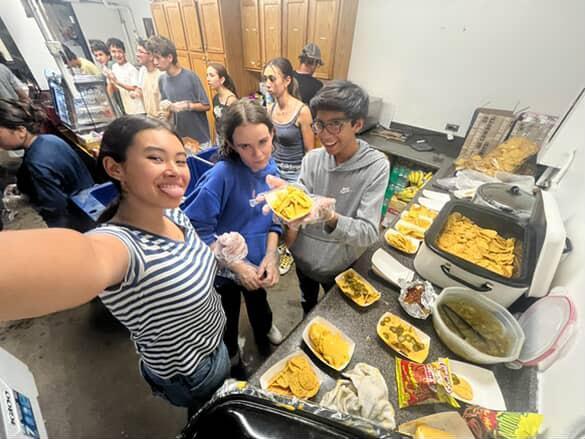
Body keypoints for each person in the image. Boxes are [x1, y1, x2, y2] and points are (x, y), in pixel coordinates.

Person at [0, 115, 229, 415]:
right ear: (115, 168)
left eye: (180, 160)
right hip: (190, 372)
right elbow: (84, 259)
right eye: (156, 158)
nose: (175, 170)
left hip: (214, 342)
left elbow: (182, 265)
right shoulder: (119, 247)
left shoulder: (171, 213)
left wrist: (219, 254)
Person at [269, 81, 390, 316]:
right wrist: (286, 196)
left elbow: (368, 233)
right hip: (303, 261)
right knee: (308, 305)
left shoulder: (375, 167)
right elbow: (301, 194)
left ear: (357, 124)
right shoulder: (312, 159)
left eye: (335, 125)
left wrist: (332, 218)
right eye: (320, 124)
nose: (324, 135)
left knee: (335, 315)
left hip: (340, 266)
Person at [183, 100, 283, 376]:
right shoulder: (221, 176)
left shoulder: (272, 169)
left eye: (263, 141)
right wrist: (237, 266)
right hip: (223, 269)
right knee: (226, 315)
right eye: (245, 146)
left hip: (258, 261)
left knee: (259, 301)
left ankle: (264, 328)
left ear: (272, 133)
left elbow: (275, 218)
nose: (258, 154)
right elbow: (195, 229)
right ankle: (231, 354)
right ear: (231, 144)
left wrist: (271, 255)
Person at [0, 99, 94, 229]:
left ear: (21, 131)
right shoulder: (50, 139)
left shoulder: (36, 164)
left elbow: (55, 210)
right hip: (89, 203)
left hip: (78, 219)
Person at [147, 36, 211, 148]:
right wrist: (164, 117)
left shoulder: (190, 76)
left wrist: (187, 106)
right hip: (181, 139)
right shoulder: (162, 80)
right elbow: (168, 110)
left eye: (158, 58)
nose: (155, 62)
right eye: (153, 59)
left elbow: (206, 105)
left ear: (170, 57)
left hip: (200, 138)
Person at [263, 57, 314, 183]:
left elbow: (310, 152)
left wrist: (306, 180)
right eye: (265, 79)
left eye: (272, 79)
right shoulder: (270, 109)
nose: (267, 84)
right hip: (273, 170)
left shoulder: (302, 111)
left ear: (287, 81)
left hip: (294, 175)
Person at [106, 38, 145, 115]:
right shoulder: (114, 67)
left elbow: (135, 88)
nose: (117, 55)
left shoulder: (131, 69)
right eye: (113, 52)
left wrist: (116, 81)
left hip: (139, 109)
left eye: (119, 51)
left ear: (124, 52)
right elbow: (116, 87)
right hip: (127, 108)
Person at [206, 63, 237, 145]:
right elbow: (216, 121)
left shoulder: (231, 100)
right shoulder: (216, 98)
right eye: (207, 75)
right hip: (219, 138)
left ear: (222, 79)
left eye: (211, 75)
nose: (208, 79)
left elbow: (237, 126)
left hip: (230, 140)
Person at [135, 38, 161, 118]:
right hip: (149, 117)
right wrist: (136, 93)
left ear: (151, 56)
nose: (137, 54)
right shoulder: (142, 70)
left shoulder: (161, 75)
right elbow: (140, 89)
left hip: (161, 119)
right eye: (137, 51)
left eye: (140, 52)